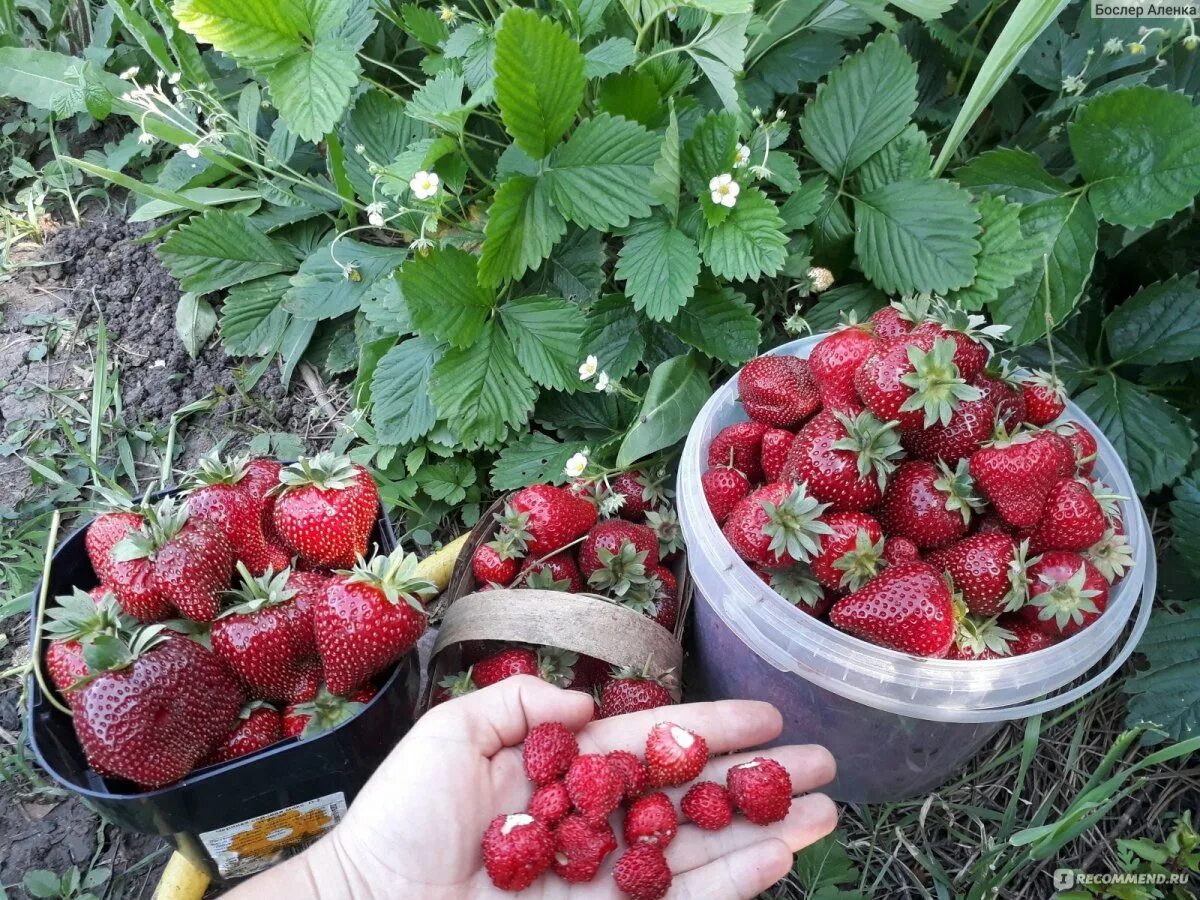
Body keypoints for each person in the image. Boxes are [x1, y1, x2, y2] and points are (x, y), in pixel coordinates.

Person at [230, 676, 838, 899]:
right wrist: (351, 880)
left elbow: (607, 816)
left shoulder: (604, 801)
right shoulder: (570, 798)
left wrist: (348, 882)